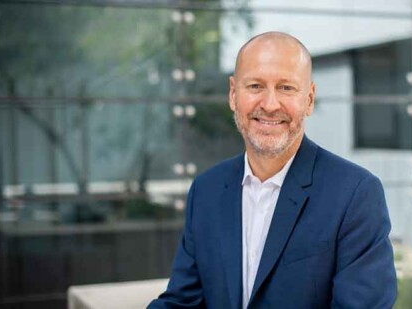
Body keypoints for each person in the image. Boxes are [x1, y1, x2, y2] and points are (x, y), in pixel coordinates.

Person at [148, 31, 397, 309]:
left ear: (310, 99)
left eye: (286, 88)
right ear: (233, 94)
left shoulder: (356, 195)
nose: (269, 104)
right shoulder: (206, 190)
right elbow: (182, 302)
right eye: (255, 86)